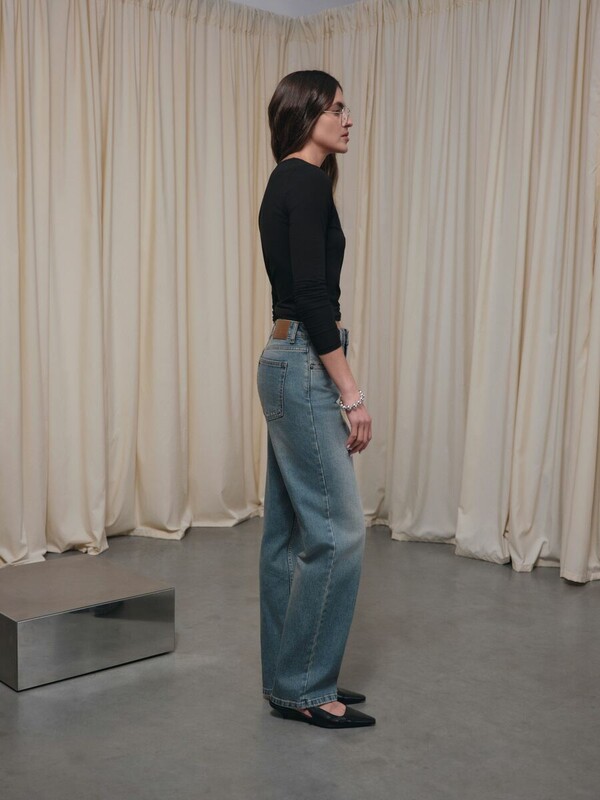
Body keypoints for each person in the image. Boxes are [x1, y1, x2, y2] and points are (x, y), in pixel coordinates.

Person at [257, 70, 375, 730]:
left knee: (288, 536)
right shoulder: (303, 181)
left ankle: (291, 676)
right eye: (337, 108)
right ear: (307, 115)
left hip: (286, 359)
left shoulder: (289, 181)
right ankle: (305, 685)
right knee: (339, 533)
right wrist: (351, 393)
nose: (348, 118)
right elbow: (311, 297)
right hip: (303, 361)